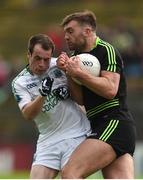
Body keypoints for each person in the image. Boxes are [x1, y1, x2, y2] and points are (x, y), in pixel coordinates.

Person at [57, 10, 136, 179]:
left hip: (114, 122)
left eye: (70, 31)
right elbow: (80, 99)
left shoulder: (106, 50)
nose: (66, 37)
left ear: (87, 31)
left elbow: (110, 90)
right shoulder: (75, 57)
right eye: (65, 33)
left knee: (70, 173)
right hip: (98, 123)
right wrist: (68, 73)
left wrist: (79, 74)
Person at [11, 34, 91, 179]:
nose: (42, 64)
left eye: (46, 59)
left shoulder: (59, 65)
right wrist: (43, 94)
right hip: (48, 139)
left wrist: (67, 80)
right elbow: (28, 114)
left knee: (70, 176)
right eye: (37, 58)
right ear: (28, 55)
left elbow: (81, 98)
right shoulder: (20, 82)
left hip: (76, 133)